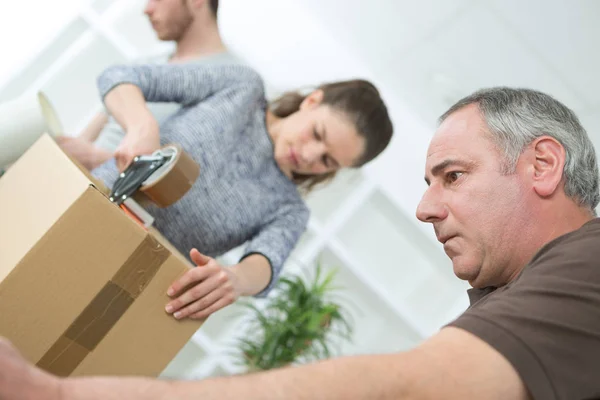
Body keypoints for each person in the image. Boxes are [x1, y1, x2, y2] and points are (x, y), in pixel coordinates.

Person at [3, 86, 598, 400]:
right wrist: (136, 130)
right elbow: (124, 79)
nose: (424, 208)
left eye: (453, 176)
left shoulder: (589, 267)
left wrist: (54, 395)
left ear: (543, 164)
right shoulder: (237, 93)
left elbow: (412, 386)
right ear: (308, 102)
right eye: (430, 183)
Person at [90, 62, 394, 321]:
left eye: (328, 161)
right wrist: (142, 126)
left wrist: (235, 279)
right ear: (312, 101)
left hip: (123, 283)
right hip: (82, 208)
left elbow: (265, 264)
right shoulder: (241, 88)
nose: (310, 155)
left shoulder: (289, 210)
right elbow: (119, 76)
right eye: (317, 133)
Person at [57, 0, 240, 170]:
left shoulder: (233, 84)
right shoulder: (143, 66)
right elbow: (87, 136)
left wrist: (96, 159)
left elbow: (187, 177)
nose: (147, 9)